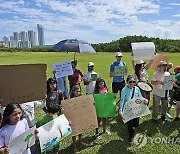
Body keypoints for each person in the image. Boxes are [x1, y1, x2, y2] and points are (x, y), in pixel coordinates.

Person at [119, 75, 144, 142]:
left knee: (136, 124)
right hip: (128, 109)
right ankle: (131, 135)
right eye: (130, 82)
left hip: (136, 109)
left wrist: (145, 100)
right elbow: (122, 100)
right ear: (127, 82)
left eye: (134, 82)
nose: (132, 83)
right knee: (129, 124)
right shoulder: (124, 90)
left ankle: (132, 129)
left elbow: (140, 97)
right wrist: (120, 111)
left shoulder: (137, 89)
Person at [70, 85, 86, 154]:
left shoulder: (81, 99)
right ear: (73, 92)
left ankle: (80, 141)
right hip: (74, 118)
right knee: (74, 132)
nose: (78, 93)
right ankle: (74, 146)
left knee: (80, 130)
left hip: (80, 116)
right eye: (77, 91)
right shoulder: (70, 101)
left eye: (79, 91)